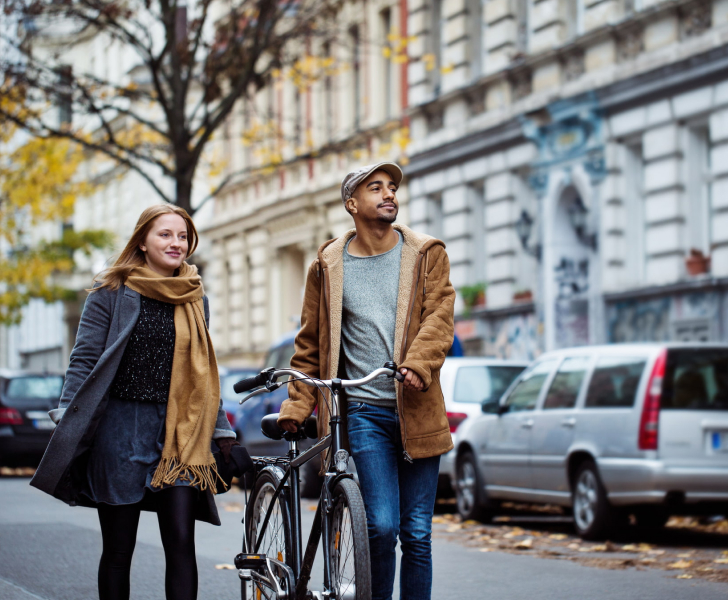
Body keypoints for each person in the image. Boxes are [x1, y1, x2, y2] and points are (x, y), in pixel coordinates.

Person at [30, 205, 240, 600]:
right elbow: (85, 359)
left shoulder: (194, 297)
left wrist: (224, 435)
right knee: (118, 549)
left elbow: (204, 374)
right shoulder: (110, 293)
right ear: (142, 241)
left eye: (182, 236)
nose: (176, 243)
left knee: (181, 543)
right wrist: (67, 416)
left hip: (179, 435)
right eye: (165, 234)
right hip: (120, 429)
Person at [278, 162, 456, 600]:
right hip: (363, 412)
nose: (389, 193)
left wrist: (418, 362)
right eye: (376, 188)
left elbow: (440, 316)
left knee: (417, 533)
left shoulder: (427, 253)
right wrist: (297, 407)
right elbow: (310, 344)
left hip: (418, 409)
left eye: (392, 187)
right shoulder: (328, 264)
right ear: (352, 204)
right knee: (380, 525)